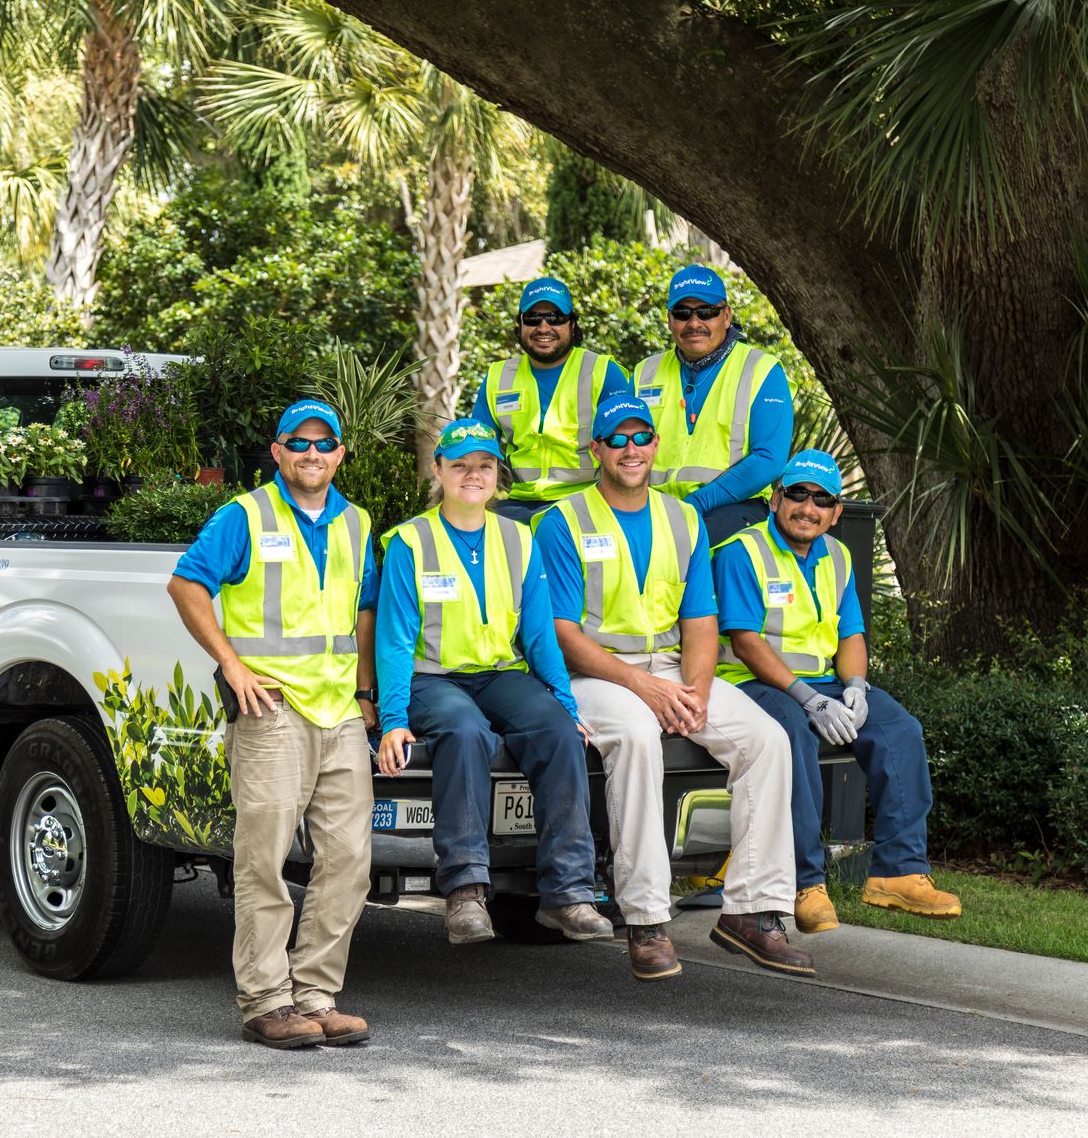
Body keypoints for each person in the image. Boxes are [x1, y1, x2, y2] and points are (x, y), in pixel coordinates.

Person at [536, 395, 813, 980]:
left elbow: (701, 621)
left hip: (667, 668)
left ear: (656, 446)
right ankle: (646, 920)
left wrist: (698, 691)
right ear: (598, 451)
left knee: (766, 740)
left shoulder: (682, 518)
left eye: (641, 438)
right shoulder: (561, 521)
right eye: (617, 440)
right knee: (637, 737)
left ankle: (752, 912)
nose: (631, 449)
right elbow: (560, 632)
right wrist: (645, 688)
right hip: (595, 673)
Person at [168, 399, 380, 1051]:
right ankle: (265, 1001)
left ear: (341, 453)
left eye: (325, 443)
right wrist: (230, 664)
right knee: (263, 859)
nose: (312, 453)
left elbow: (365, 613)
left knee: (348, 859)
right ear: (278, 450)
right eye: (299, 442)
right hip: (272, 710)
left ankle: (314, 997)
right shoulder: (246, 516)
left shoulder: (359, 523)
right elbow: (186, 585)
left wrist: (368, 694)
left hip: (341, 710)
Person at [375, 418, 612, 945]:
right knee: (464, 733)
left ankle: (568, 895)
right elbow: (392, 641)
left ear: (497, 475)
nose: (472, 475)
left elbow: (539, 634)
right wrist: (392, 719)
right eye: (459, 465)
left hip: (500, 674)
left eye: (484, 465)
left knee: (557, 731)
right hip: (431, 679)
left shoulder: (518, 538)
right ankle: (464, 893)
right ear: (439, 471)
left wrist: (565, 702)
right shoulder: (410, 542)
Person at [713, 448, 962, 936]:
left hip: (826, 682)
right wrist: (808, 698)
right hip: (754, 682)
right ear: (775, 499)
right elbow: (744, 641)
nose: (808, 507)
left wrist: (854, 686)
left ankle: (898, 872)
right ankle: (804, 883)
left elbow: (850, 636)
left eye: (821, 499)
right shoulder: (743, 551)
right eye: (798, 494)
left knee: (899, 730)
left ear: (835, 512)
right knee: (792, 738)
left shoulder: (838, 555)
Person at [632, 265, 795, 545]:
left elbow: (769, 459)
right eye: (683, 314)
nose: (694, 323)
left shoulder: (761, 370)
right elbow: (620, 446)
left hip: (733, 509)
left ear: (727, 316)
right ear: (670, 320)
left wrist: (701, 501)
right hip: (653, 510)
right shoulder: (644, 372)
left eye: (706, 312)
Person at [469, 276, 635, 521]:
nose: (543, 328)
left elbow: (627, 449)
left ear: (572, 325)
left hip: (587, 502)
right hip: (519, 505)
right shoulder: (498, 376)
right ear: (520, 325)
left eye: (555, 318)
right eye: (533, 318)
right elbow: (476, 450)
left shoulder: (602, 372)